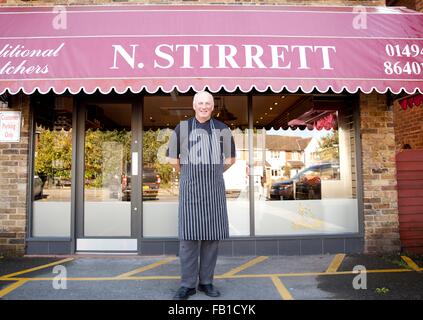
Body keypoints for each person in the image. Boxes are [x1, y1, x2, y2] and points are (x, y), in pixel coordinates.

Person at [166, 91, 236, 300]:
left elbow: (231, 159)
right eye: (201, 103)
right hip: (190, 191)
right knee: (188, 240)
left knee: (211, 240)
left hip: (213, 191)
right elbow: (172, 160)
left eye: (208, 103)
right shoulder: (182, 128)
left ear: (212, 107)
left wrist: (215, 173)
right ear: (194, 106)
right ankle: (187, 285)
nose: (204, 106)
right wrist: (187, 173)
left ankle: (206, 282)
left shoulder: (222, 129)